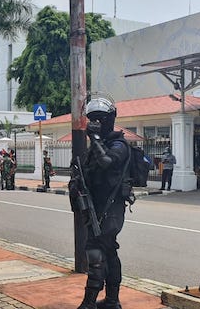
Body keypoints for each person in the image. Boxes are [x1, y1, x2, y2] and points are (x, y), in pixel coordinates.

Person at [69, 97, 130, 309]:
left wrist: (94, 138)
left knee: (94, 250)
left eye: (100, 119)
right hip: (95, 207)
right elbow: (83, 174)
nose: (96, 123)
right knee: (109, 251)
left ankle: (89, 303)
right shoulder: (95, 147)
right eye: (92, 119)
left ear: (110, 119)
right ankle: (112, 300)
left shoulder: (119, 144)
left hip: (111, 208)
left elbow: (107, 163)